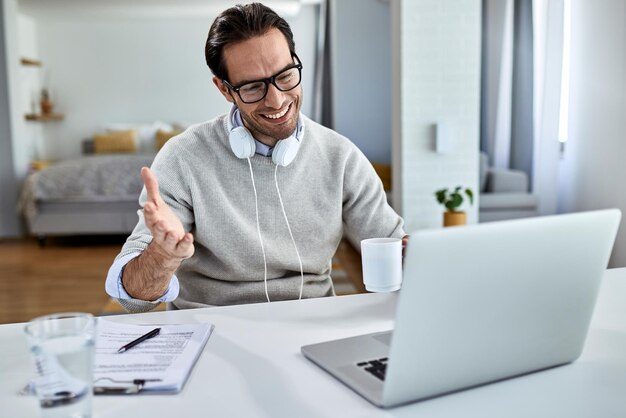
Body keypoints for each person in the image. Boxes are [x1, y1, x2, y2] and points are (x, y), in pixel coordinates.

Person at [105, 2, 406, 313]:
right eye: (253, 87)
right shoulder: (183, 157)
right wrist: (163, 256)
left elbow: (394, 246)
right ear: (224, 89)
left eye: (286, 75)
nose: (276, 99)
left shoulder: (340, 156)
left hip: (311, 326)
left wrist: (418, 259)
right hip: (212, 330)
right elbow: (132, 299)